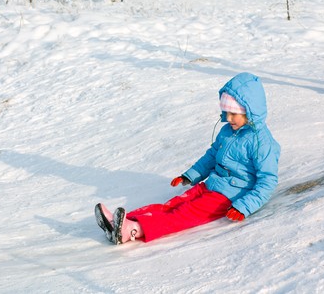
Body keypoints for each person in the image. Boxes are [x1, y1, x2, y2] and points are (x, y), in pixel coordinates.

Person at [95, 72, 281, 245]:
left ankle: (134, 230)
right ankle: (123, 221)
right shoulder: (227, 131)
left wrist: (244, 207)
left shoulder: (262, 144)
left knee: (183, 214)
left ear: (250, 112)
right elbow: (211, 156)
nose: (229, 118)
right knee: (173, 204)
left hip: (229, 196)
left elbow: (267, 182)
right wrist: (191, 175)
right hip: (211, 185)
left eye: (234, 114)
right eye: (227, 112)